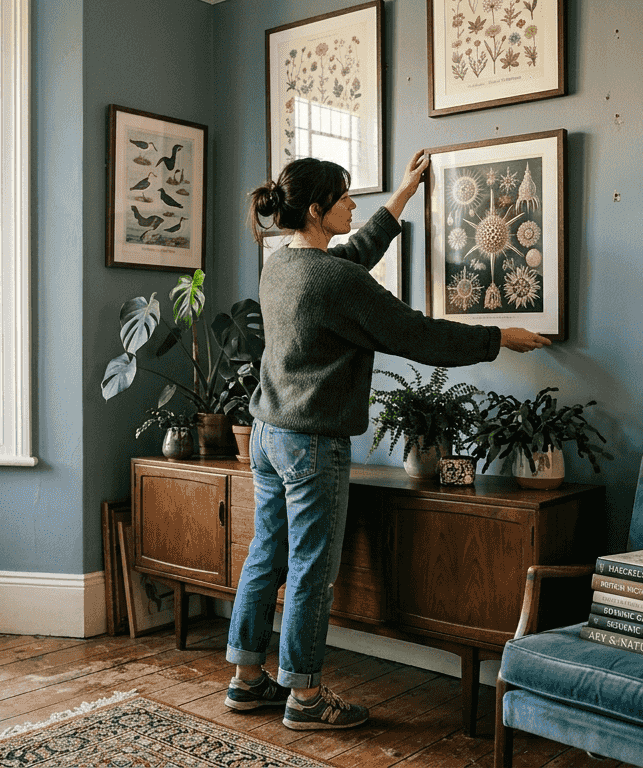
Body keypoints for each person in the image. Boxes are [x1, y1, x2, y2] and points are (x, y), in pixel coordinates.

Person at [223, 149, 552, 730]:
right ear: (318, 209)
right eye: (345, 197)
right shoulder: (336, 281)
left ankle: (247, 679)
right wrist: (499, 336)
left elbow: (350, 259)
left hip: (269, 435)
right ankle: (305, 697)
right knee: (311, 570)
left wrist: (401, 196)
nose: (354, 204)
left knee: (265, 556)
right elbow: (415, 334)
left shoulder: (280, 265)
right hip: (311, 443)